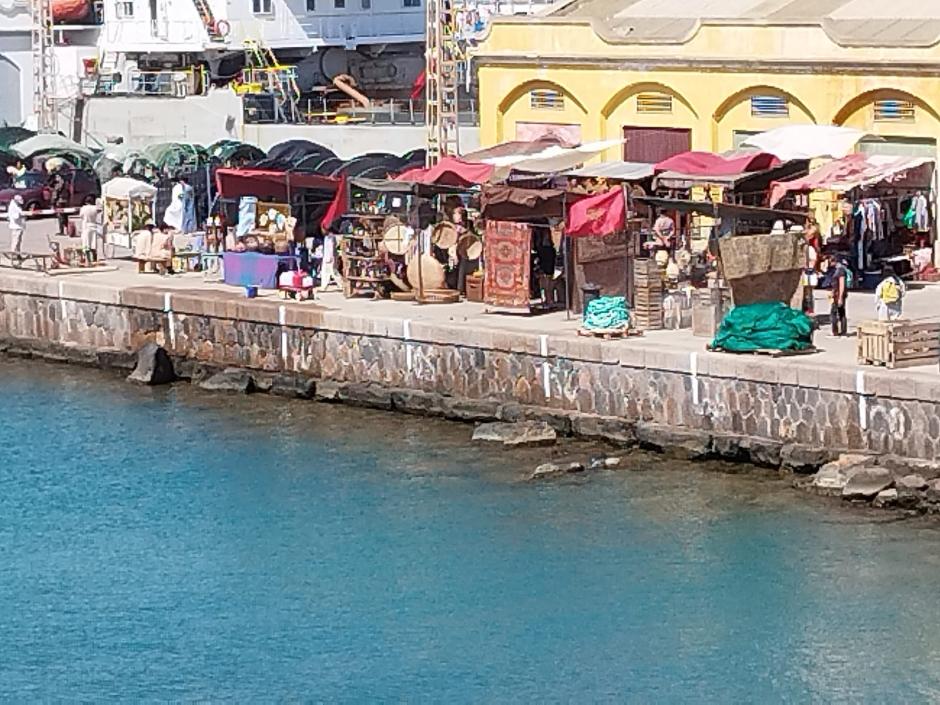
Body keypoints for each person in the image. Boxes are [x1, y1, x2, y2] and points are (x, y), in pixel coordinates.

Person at [829, 256, 849, 337]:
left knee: (834, 312)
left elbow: (842, 284)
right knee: (841, 312)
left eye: (831, 262)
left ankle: (835, 331)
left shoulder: (840, 270)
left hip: (839, 295)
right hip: (836, 294)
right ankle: (843, 331)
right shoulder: (838, 270)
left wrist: (840, 297)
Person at [78, 198, 102, 264]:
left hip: (86, 226)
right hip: (93, 226)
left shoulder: (83, 208)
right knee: (93, 243)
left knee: (86, 243)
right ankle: (94, 258)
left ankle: (87, 259)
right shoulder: (95, 208)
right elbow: (99, 211)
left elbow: (81, 216)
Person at [47, 166, 70, 236]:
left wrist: (53, 201)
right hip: (65, 199)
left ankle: (62, 231)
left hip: (60, 200)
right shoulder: (65, 179)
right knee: (65, 215)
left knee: (60, 215)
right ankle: (68, 230)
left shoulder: (59, 181)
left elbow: (56, 191)